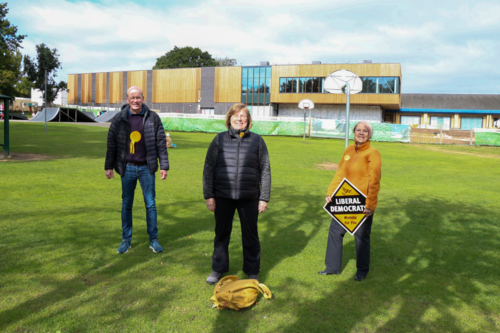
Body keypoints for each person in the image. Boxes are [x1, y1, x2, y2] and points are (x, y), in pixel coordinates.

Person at [203, 103, 271, 284]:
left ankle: (252, 271)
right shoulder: (219, 139)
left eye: (243, 116)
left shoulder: (258, 140)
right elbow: (208, 168)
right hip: (222, 196)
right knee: (221, 234)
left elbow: (265, 170)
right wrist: (209, 195)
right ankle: (218, 269)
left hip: (249, 197)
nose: (239, 119)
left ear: (248, 121)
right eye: (236, 115)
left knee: (250, 235)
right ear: (229, 118)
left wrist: (264, 197)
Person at [105, 86, 169, 254]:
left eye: (138, 97)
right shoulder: (119, 119)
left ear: (143, 98)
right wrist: (108, 166)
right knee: (127, 204)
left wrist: (164, 166)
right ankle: (126, 240)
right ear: (127, 99)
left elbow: (161, 142)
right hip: (127, 168)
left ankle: (153, 240)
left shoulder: (152, 117)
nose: (135, 100)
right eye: (132, 97)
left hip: (147, 168)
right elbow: (112, 142)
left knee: (151, 204)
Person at [319, 121, 381, 281]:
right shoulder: (348, 150)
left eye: (365, 131)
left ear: (370, 134)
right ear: (353, 133)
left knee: (361, 237)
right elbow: (340, 173)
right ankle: (332, 268)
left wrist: (370, 204)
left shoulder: (373, 153)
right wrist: (331, 192)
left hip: (362, 203)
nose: (361, 133)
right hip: (344, 200)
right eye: (358, 130)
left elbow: (374, 181)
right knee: (335, 232)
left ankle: (361, 271)